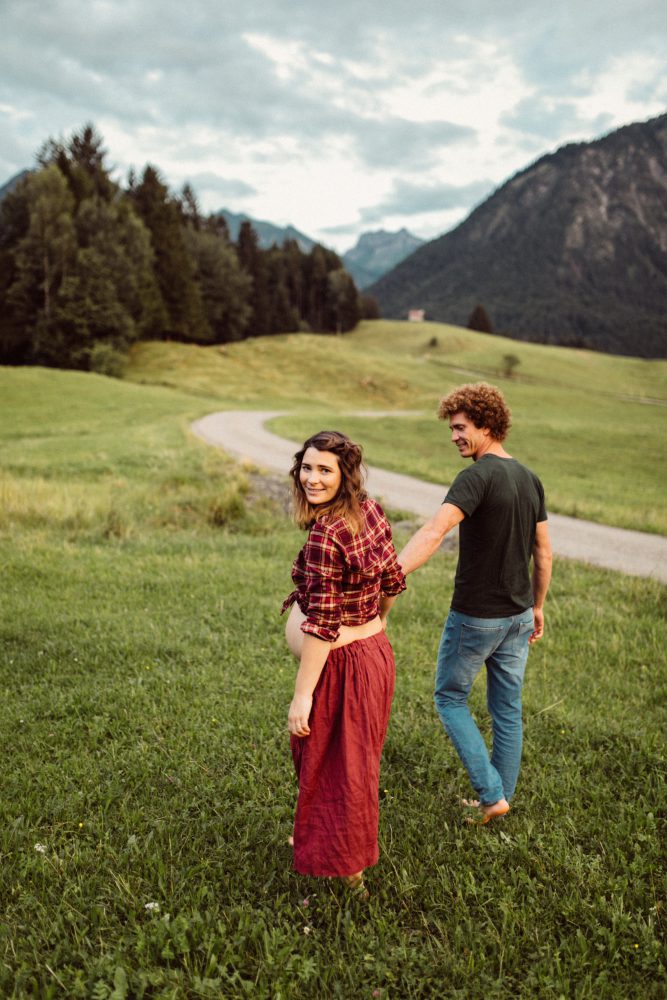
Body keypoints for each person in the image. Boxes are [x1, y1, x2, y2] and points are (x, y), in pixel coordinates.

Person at [396, 383, 553, 823]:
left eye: (461, 427)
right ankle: (498, 797)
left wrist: (388, 574)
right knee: (506, 709)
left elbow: (433, 530)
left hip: (477, 618)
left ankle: (491, 793)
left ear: (486, 424)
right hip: (519, 617)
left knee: (449, 698)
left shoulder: (475, 477)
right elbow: (543, 551)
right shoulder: (528, 476)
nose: (454, 437)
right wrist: (537, 606)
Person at [282, 430, 406, 897]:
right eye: (307, 467)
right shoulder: (367, 508)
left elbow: (322, 625)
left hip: (343, 667)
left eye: (324, 470)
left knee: (336, 767)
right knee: (355, 763)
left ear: (344, 475)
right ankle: (324, 838)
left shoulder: (327, 533)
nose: (312, 478)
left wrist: (301, 694)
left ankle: (350, 873)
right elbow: (393, 579)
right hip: (374, 657)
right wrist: (376, 623)